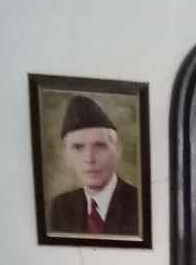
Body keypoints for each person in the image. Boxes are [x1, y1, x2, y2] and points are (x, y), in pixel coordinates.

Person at [49, 95, 139, 237]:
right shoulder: (58, 207)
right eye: (78, 147)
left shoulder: (140, 204)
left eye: (100, 146)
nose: (89, 159)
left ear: (117, 151)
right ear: (67, 156)